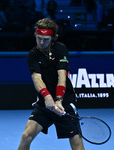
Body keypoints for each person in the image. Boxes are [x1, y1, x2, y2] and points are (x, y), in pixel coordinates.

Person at [18, 18, 85, 150]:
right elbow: (37, 78)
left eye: (46, 39)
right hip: (44, 103)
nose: (41, 42)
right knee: (26, 136)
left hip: (65, 103)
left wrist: (58, 100)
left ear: (53, 37)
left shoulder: (60, 49)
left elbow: (62, 76)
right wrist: (47, 97)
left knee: (76, 143)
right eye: (39, 38)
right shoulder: (33, 54)